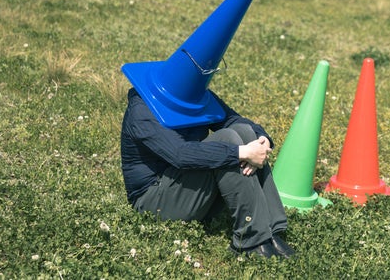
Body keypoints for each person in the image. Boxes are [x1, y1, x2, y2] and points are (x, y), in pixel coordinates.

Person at [120, 87, 295, 258]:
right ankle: (250, 240)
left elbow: (232, 119)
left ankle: (270, 230)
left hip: (188, 187)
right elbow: (180, 154)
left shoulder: (194, 94)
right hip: (153, 200)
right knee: (227, 139)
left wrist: (262, 138)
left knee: (244, 131)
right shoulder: (142, 109)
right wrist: (241, 153)